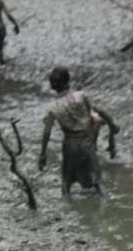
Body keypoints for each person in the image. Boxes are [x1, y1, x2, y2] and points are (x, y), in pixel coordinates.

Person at [39, 68, 118, 198]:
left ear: (52, 86)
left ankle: (67, 206)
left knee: (66, 182)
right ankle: (104, 201)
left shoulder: (52, 108)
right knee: (96, 181)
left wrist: (42, 154)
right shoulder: (81, 96)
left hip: (70, 144)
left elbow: (47, 132)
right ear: (68, 81)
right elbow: (92, 116)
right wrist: (108, 126)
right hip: (87, 141)